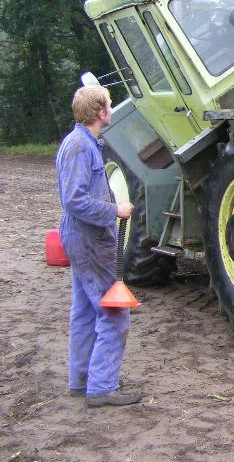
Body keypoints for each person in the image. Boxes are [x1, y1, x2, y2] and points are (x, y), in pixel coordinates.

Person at [55, 85, 142, 408]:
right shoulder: (80, 147)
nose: (112, 108)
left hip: (81, 238)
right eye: (109, 104)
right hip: (90, 240)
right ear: (101, 112)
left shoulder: (80, 142)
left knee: (83, 311)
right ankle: (103, 387)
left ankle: (81, 380)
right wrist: (114, 210)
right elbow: (75, 200)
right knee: (114, 313)